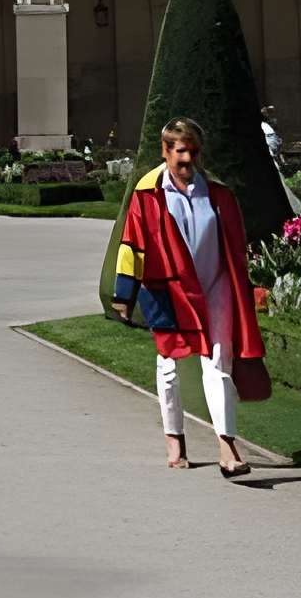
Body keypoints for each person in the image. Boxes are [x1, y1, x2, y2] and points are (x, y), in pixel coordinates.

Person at [111, 116, 269, 476]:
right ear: (165, 151)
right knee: (169, 366)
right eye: (181, 152)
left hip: (215, 287)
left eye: (193, 152)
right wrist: (124, 294)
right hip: (168, 289)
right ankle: (174, 438)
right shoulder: (147, 193)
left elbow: (234, 245)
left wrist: (246, 285)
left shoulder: (217, 192)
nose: (188, 160)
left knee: (219, 362)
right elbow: (131, 245)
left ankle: (227, 446)